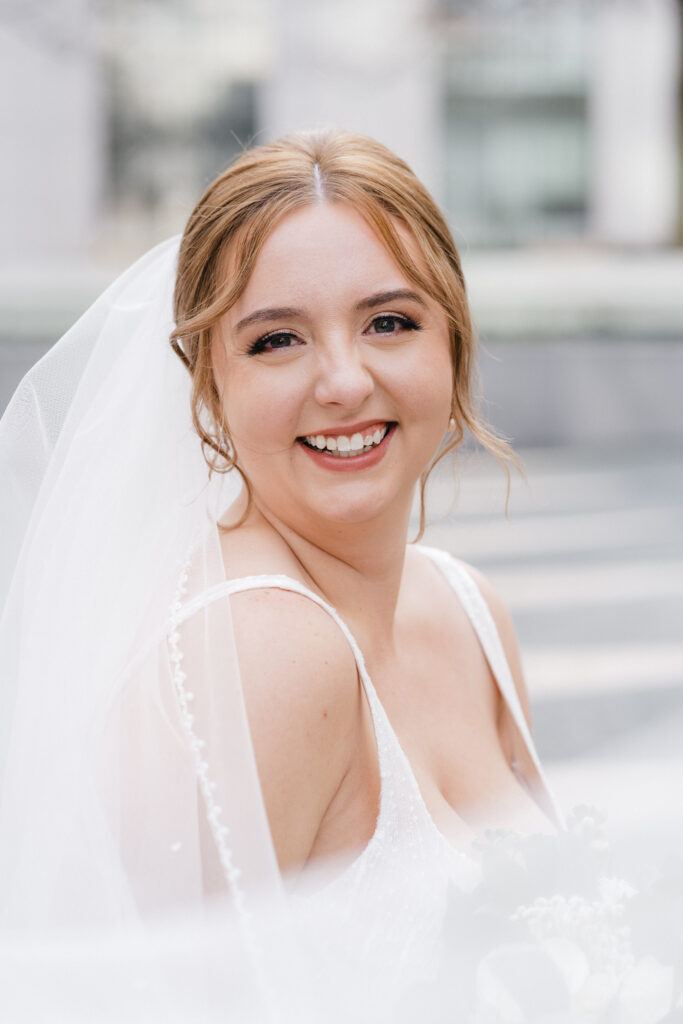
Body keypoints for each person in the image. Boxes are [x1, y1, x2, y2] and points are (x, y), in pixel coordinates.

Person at [0, 130, 563, 1019]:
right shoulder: (267, 647)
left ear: (451, 340)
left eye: (389, 322)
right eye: (275, 341)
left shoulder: (467, 610)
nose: (342, 381)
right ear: (208, 385)